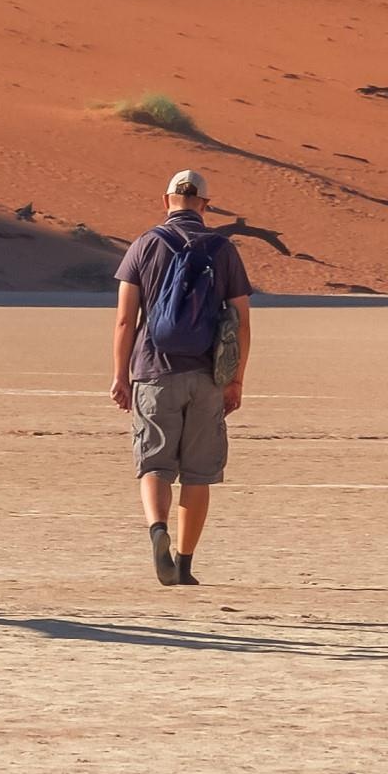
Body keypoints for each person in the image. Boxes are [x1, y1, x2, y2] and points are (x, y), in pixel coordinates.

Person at [111, 168, 255, 586]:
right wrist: (236, 380)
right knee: (198, 474)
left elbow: (125, 320)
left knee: (154, 463)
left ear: (165, 201)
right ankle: (186, 563)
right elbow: (242, 321)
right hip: (208, 375)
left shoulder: (144, 244)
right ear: (206, 206)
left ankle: (158, 530)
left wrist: (121, 375)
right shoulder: (223, 249)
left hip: (154, 372)